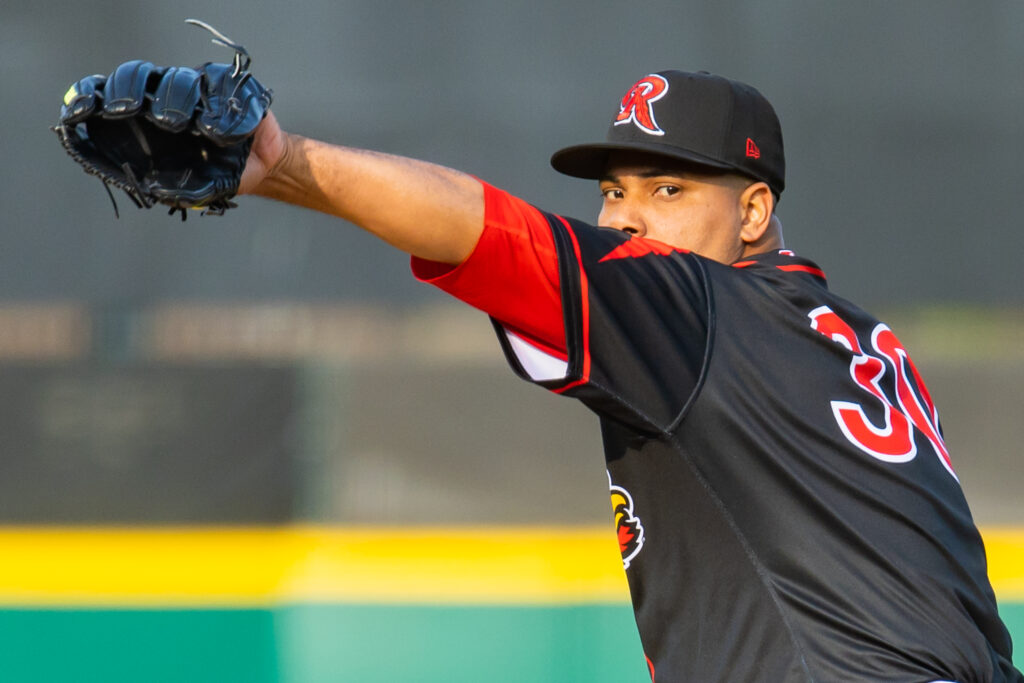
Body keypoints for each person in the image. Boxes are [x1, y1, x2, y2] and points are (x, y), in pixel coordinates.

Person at [238, 70, 1021, 682]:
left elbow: (485, 229)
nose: (623, 218)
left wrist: (283, 165)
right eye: (614, 190)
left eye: (666, 189)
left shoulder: (700, 307)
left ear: (752, 214)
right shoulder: (859, 339)